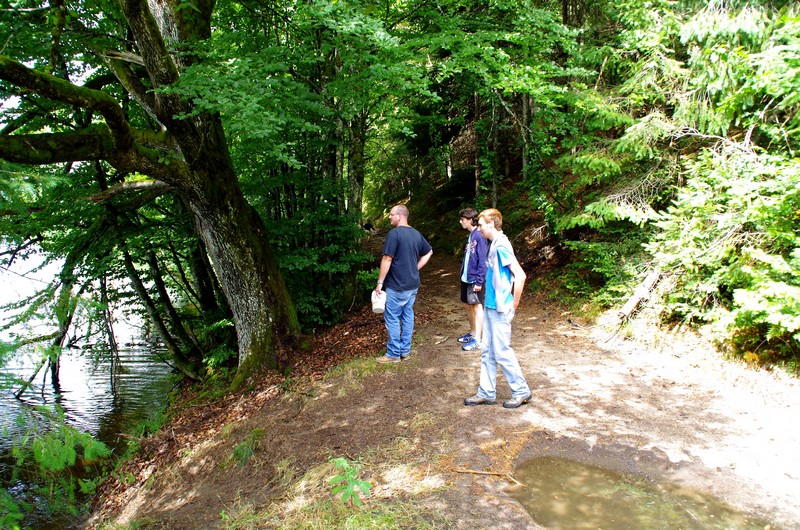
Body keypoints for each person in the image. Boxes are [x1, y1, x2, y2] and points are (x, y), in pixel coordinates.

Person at [464, 208, 532, 409]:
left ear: (492, 224)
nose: (479, 228)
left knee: (502, 351)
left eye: (481, 225)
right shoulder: (493, 244)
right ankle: (486, 392)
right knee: (487, 350)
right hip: (491, 306)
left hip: (501, 308)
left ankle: (521, 390)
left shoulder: (501, 245)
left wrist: (514, 303)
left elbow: (520, 276)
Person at [374, 205, 433, 363]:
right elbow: (429, 251)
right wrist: (416, 268)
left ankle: (393, 354)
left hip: (397, 284)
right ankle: (405, 351)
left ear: (399, 215)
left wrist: (380, 283)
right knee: (407, 315)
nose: (389, 217)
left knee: (392, 317)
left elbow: (387, 258)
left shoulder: (394, 234)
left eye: (391, 214)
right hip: (413, 284)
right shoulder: (416, 233)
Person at [457, 208, 488, 352]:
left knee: (477, 306)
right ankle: (473, 332)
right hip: (466, 277)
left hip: (475, 278)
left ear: (470, 220)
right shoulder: (471, 235)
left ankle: (478, 340)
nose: (460, 222)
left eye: (462, 219)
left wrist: (479, 281)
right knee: (467, 304)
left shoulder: (479, 236)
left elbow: (483, 260)